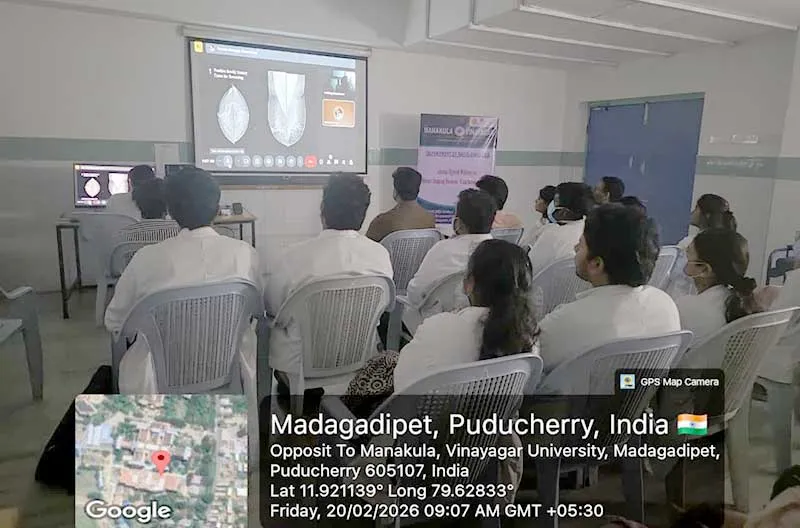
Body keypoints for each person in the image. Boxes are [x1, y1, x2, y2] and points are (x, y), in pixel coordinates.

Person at [105, 167, 262, 393]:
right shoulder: (246, 253)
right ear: (217, 208)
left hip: (157, 382)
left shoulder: (146, 259)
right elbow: (257, 311)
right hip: (230, 373)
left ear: (170, 210)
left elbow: (114, 323)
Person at [264, 174, 393, 378]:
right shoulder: (380, 254)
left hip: (299, 363)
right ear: (363, 213)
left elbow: (272, 308)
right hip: (360, 356)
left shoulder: (293, 256)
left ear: (322, 210)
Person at [537, 204, 680, 374]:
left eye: (581, 244)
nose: (575, 248)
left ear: (596, 264)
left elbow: (531, 364)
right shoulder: (666, 305)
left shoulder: (565, 322)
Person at [404, 189, 496, 330]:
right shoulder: (501, 254)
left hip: (434, 327)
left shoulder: (442, 249)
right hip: (484, 327)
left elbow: (415, 294)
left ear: (457, 223)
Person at [675, 229, 763, 347]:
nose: (684, 265)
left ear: (705, 270)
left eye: (687, 257)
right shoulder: (744, 304)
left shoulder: (686, 307)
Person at [528, 182, 594, 278]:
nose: (550, 206)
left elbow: (530, 269)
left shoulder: (551, 234)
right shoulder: (588, 230)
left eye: (554, 203)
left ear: (564, 212)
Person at [365, 167, 435, 241]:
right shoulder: (430, 219)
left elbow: (367, 245)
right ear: (418, 190)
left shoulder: (382, 221)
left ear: (395, 191)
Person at [520, 185, 557, 249]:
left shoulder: (549, 227)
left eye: (539, 199)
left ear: (548, 204)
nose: (536, 200)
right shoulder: (541, 222)